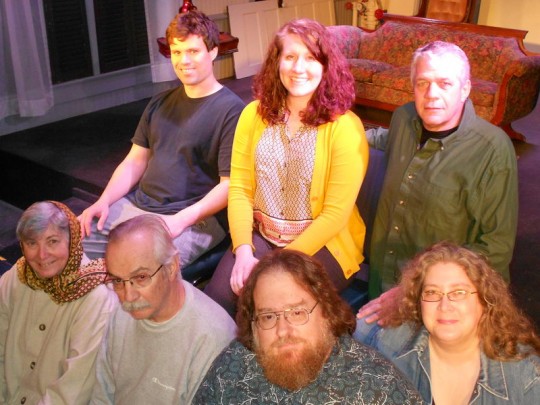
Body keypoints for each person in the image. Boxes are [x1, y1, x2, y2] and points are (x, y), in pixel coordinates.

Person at [204, 18, 369, 315]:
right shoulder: (252, 114)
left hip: (322, 245)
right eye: (290, 56)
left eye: (310, 58)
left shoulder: (345, 127)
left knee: (272, 305)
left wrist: (274, 266)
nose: (298, 68)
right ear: (276, 62)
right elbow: (240, 189)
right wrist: (243, 251)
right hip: (262, 235)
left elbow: (334, 215)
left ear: (325, 65)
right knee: (217, 300)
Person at [79, 10, 245, 267]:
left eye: (193, 51)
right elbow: (134, 162)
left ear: (212, 52)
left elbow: (230, 185)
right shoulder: (160, 102)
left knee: (130, 272)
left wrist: (179, 221)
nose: (183, 60)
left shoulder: (232, 111)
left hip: (191, 218)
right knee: (71, 255)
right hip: (138, 205)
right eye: (177, 52)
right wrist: (104, 200)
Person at [361, 40, 518, 311]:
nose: (431, 94)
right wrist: (334, 134)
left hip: (443, 300)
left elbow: (495, 249)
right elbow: (385, 138)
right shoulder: (403, 119)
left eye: (445, 84)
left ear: (465, 89)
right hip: (380, 281)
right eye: (422, 83)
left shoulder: (492, 150)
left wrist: (412, 291)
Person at [193, 249, 423, 404]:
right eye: (268, 317)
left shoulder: (379, 389)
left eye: (297, 312)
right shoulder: (232, 367)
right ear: (253, 326)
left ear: (326, 313)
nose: (283, 331)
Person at [354, 241, 540, 404]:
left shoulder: (524, 374)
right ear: (418, 301)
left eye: (459, 293)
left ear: (484, 300)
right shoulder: (380, 345)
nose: (445, 305)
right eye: (432, 292)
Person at [90, 214, 236, 404]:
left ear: (171, 266)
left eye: (141, 277)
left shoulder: (214, 340)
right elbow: (102, 396)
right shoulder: (121, 312)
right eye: (118, 280)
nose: (128, 296)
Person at [0, 201, 117, 404]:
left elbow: (74, 389)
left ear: (71, 240)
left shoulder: (95, 299)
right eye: (32, 243)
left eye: (52, 241)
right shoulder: (16, 277)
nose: (42, 255)